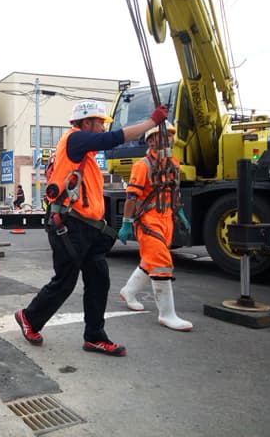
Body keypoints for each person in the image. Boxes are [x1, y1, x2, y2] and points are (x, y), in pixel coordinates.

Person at [14, 100, 169, 357]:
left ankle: (95, 337)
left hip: (86, 227)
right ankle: (29, 317)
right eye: (100, 122)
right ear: (86, 123)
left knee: (99, 280)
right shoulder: (75, 139)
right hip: (69, 225)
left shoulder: (84, 154)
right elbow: (113, 139)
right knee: (65, 282)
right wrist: (151, 122)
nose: (103, 127)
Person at [118, 121, 193, 331]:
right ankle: (167, 315)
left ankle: (129, 291)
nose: (168, 139)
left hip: (166, 218)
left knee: (150, 260)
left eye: (170, 135)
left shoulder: (174, 164)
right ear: (151, 141)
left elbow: (174, 192)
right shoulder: (142, 166)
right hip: (148, 220)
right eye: (163, 135)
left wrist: (180, 214)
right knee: (161, 262)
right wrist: (126, 222)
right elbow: (132, 197)